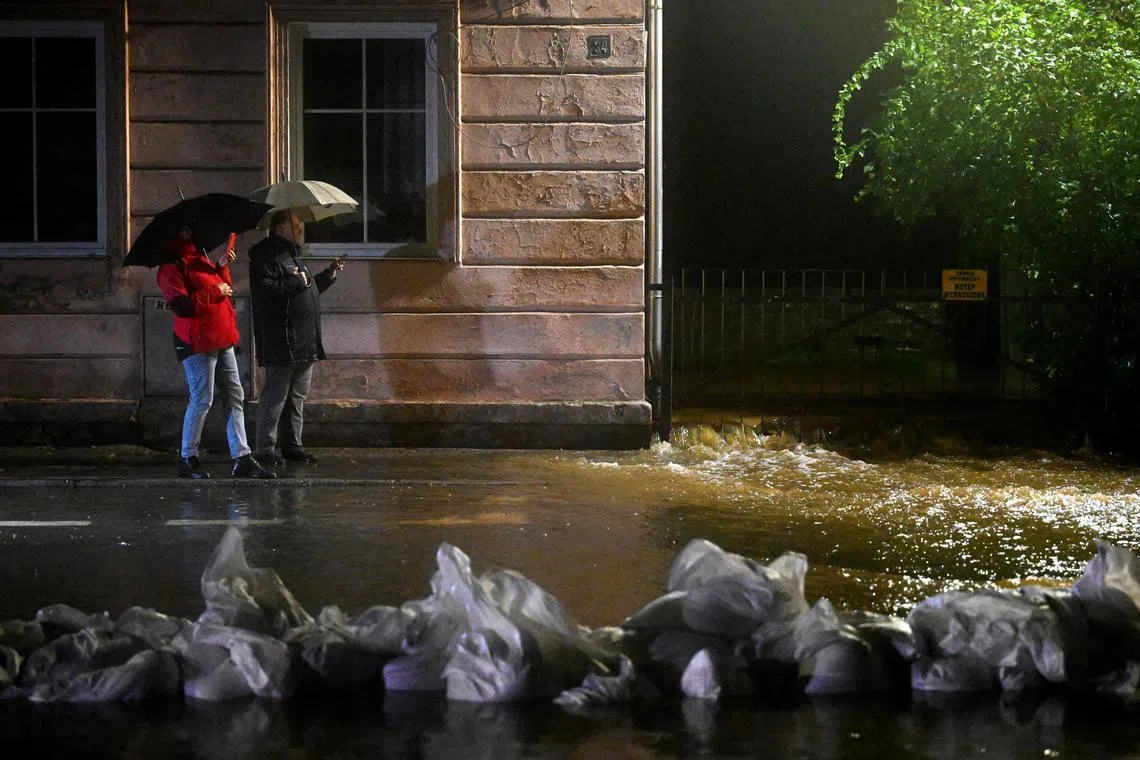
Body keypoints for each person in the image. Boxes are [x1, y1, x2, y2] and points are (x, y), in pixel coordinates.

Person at [156, 226, 274, 479]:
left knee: (234, 395)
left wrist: (220, 267)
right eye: (185, 229)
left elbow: (224, 286)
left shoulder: (199, 258)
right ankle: (187, 458)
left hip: (221, 337)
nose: (190, 232)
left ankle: (242, 457)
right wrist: (215, 290)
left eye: (190, 228)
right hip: (197, 341)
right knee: (202, 399)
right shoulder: (171, 267)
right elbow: (183, 306)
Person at [248, 210, 345, 466]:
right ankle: (265, 449)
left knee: (297, 396)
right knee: (275, 395)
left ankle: (293, 445)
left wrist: (328, 275)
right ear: (280, 228)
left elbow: (307, 289)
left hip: (304, 340)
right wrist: (295, 283)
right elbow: (265, 292)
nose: (300, 230)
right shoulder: (264, 256)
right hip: (283, 338)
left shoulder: (292, 254)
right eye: (295, 225)